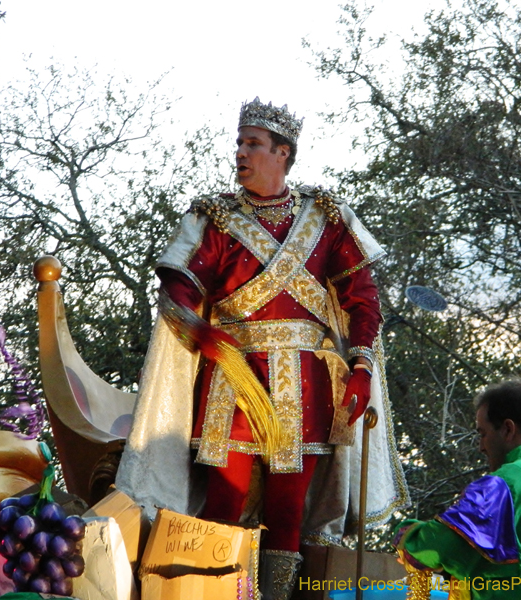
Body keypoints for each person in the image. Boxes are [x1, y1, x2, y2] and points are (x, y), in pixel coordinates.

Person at [116, 98, 409, 599]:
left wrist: (360, 366)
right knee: (222, 508)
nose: (240, 153)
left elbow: (362, 299)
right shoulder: (214, 218)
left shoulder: (327, 217)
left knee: (287, 514)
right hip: (232, 380)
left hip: (307, 386)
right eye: (239, 143)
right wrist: (201, 332)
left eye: (252, 144)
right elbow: (178, 290)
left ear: (282, 153)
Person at [393, 379, 521, 600]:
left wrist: (407, 536)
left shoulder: (505, 482)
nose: (481, 447)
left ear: (508, 429)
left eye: (483, 434)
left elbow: (441, 544)